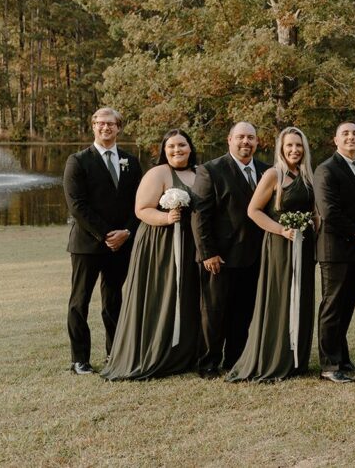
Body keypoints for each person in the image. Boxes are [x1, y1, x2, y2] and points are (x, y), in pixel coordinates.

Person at [103, 129, 201, 380]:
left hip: (189, 244)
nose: (177, 150)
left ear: (190, 148)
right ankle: (153, 352)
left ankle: (182, 354)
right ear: (163, 150)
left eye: (182, 145)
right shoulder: (157, 173)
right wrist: (167, 217)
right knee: (161, 294)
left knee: (185, 295)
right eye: (171, 146)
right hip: (160, 245)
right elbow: (141, 210)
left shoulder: (199, 173)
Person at [227, 127, 317, 382]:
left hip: (305, 246)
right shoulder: (273, 174)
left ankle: (296, 358)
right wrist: (281, 230)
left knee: (302, 297)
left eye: (298, 145)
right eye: (289, 145)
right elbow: (253, 211)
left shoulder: (307, 175)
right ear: (281, 148)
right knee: (280, 298)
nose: (294, 150)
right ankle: (275, 356)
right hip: (280, 246)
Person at [63, 107, 142, 375]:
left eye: (111, 124)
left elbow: (139, 204)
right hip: (87, 244)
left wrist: (127, 233)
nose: (105, 128)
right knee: (79, 301)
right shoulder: (78, 160)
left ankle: (115, 353)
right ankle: (79, 360)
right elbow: (77, 206)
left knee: (114, 300)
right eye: (100, 123)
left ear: (119, 128)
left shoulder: (131, 162)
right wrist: (106, 234)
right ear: (93, 126)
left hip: (121, 244)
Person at [191, 121, 269, 378]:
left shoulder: (266, 171)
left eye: (251, 138)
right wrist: (207, 252)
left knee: (243, 311)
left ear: (257, 142)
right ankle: (208, 362)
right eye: (241, 137)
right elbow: (200, 216)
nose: (246, 142)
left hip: (254, 255)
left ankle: (235, 359)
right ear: (229, 139)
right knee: (214, 312)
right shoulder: (210, 170)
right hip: (219, 256)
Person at [314, 120, 355, 383]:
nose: (351, 137)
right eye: (345, 134)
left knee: (348, 306)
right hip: (335, 250)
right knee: (332, 306)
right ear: (335, 140)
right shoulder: (326, 170)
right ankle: (329, 366)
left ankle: (343, 358)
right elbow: (329, 212)